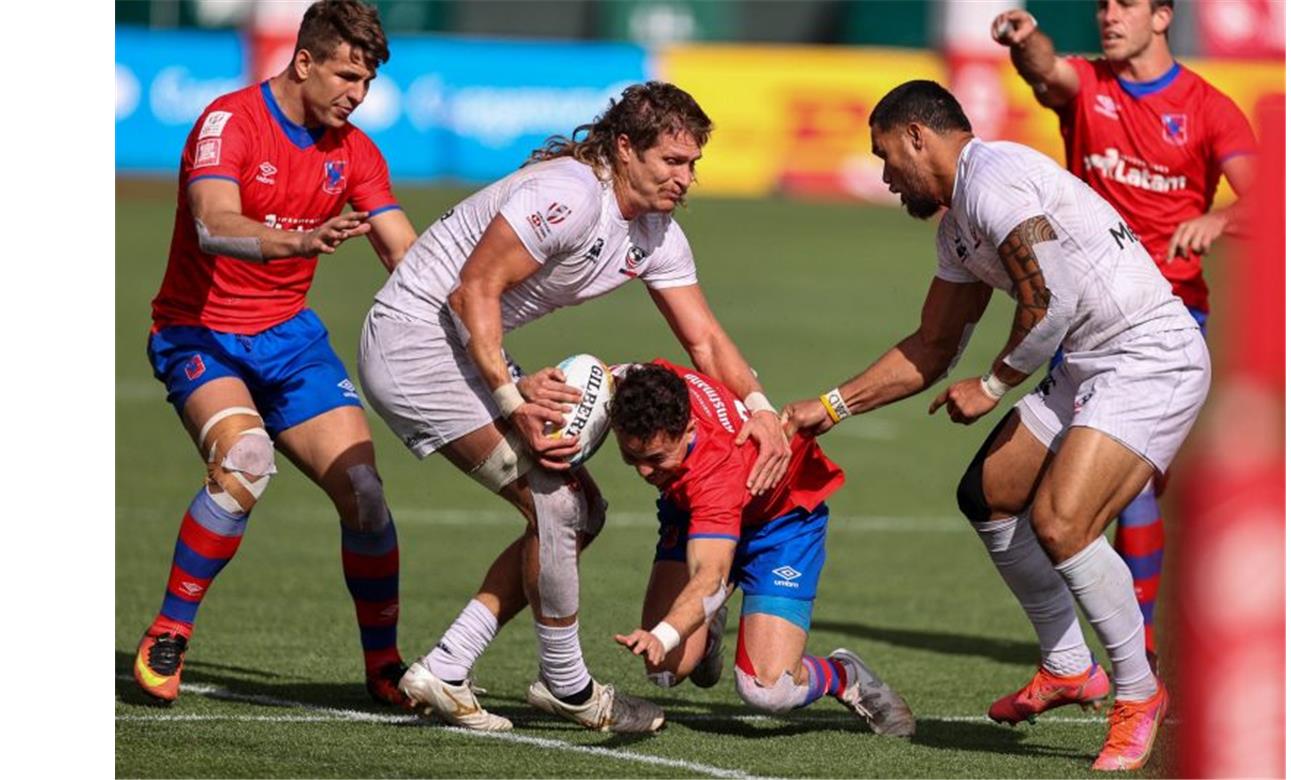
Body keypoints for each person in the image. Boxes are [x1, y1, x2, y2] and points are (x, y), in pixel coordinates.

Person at [783, 80, 1208, 771]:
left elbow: (1056, 299)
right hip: (1089, 363)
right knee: (989, 492)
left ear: (918, 135)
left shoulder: (994, 182)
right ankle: (1070, 666)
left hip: (1147, 359)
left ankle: (1138, 693)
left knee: (1063, 523)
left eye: (886, 155)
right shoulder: (958, 223)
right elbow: (931, 346)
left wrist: (994, 384)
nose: (886, 177)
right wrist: (827, 408)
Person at [357, 81, 790, 733]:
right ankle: (566, 684)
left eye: (693, 164)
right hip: (414, 341)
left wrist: (757, 405)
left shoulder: (654, 231)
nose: (686, 176)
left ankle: (447, 667)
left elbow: (703, 337)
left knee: (581, 511)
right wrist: (510, 393)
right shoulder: (569, 194)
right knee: (556, 504)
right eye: (673, 160)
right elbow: (472, 289)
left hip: (463, 346)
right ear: (624, 147)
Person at [133, 0, 419, 708]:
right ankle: (169, 631)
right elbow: (213, 224)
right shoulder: (231, 123)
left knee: (367, 496)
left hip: (289, 340)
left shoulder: (354, 151)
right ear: (304, 62)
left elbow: (405, 255)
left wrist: (475, 321)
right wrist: (296, 240)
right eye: (347, 76)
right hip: (198, 334)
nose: (356, 95)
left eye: (367, 84)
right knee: (245, 461)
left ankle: (383, 665)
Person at [991, 0, 1255, 657]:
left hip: (1168, 319)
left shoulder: (1209, 107)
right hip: (1083, 322)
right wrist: (1025, 38)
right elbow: (1047, 69)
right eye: (1103, 5)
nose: (1109, 15)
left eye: (1126, 5)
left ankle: (1140, 646)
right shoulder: (1089, 86)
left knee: (1129, 490)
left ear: (1163, 17)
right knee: (1056, 493)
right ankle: (1099, 648)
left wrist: (1220, 222)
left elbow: (1272, 196)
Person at [609, 361, 916, 737]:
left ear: (689, 427)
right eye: (630, 457)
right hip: (697, 515)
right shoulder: (645, 384)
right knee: (664, 671)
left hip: (780, 525)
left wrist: (664, 634)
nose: (644, 472)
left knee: (768, 691)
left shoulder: (716, 470)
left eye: (655, 458)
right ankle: (705, 626)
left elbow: (710, 576)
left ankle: (844, 676)